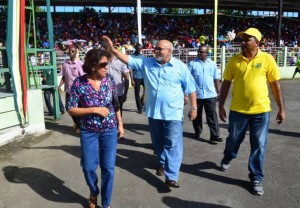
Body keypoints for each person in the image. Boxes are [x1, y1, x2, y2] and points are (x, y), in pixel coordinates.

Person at [103, 35, 198, 188]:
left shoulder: (180, 67)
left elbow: (191, 88)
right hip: (154, 113)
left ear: (169, 51)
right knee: (158, 143)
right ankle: (162, 163)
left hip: (173, 113)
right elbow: (127, 60)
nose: (156, 51)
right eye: (156, 48)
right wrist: (113, 49)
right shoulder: (147, 63)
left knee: (172, 144)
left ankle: (171, 176)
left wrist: (194, 108)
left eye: (160, 49)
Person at [218, 28, 286, 196]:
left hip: (261, 111)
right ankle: (228, 156)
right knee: (233, 139)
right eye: (242, 39)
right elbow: (226, 83)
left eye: (247, 39)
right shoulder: (234, 60)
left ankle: (256, 177)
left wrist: (281, 109)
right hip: (238, 111)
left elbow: (275, 85)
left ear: (257, 42)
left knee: (258, 145)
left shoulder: (267, 59)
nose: (243, 41)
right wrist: (220, 105)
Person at [67, 48, 124, 208]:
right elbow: (71, 108)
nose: (107, 67)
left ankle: (106, 203)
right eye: (104, 64)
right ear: (92, 66)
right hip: (89, 131)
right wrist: (93, 109)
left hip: (109, 129)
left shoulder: (110, 80)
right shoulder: (80, 83)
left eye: (108, 63)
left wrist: (120, 124)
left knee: (108, 168)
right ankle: (93, 191)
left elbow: (115, 103)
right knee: (88, 167)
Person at [187, 46, 223, 143]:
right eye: (198, 52)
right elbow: (187, 79)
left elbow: (216, 79)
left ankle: (214, 135)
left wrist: (218, 91)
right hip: (197, 95)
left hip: (210, 94)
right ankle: (198, 131)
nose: (199, 53)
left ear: (207, 53)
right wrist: (186, 93)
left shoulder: (212, 64)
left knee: (212, 115)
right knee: (197, 115)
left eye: (202, 52)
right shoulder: (192, 64)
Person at [58, 46, 85, 133]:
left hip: (78, 91)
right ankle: (77, 123)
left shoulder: (80, 64)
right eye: (70, 51)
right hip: (69, 90)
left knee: (79, 109)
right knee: (68, 108)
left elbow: (84, 77)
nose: (71, 52)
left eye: (73, 51)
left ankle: (79, 126)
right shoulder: (65, 64)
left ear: (76, 52)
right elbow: (64, 76)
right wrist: (59, 85)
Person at [107, 51, 130, 116]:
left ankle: (119, 124)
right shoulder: (103, 60)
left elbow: (126, 78)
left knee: (118, 111)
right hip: (105, 92)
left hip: (118, 92)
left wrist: (125, 93)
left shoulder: (120, 61)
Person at [129, 43, 145, 114]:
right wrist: (132, 79)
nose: (140, 50)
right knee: (137, 94)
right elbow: (130, 69)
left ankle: (141, 102)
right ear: (136, 48)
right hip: (136, 77)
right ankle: (139, 108)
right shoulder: (131, 57)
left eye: (140, 48)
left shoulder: (142, 56)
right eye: (138, 48)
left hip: (143, 76)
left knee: (147, 90)